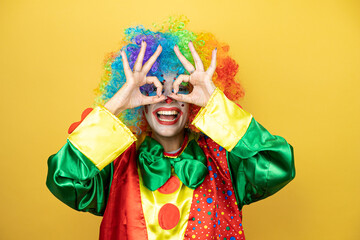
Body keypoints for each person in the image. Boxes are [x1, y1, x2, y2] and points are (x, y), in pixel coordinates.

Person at [46, 17, 295, 240]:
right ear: (140, 104)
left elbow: (278, 164)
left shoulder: (226, 164)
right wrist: (116, 106)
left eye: (181, 88)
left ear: (194, 105)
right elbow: (63, 179)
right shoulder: (113, 165)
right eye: (152, 88)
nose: (167, 99)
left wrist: (214, 102)